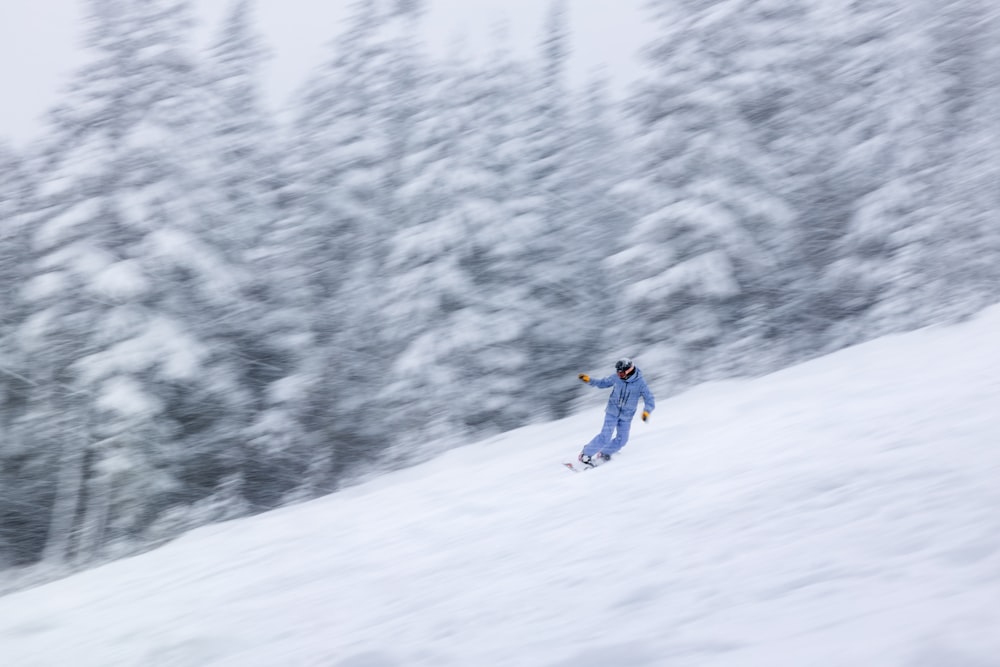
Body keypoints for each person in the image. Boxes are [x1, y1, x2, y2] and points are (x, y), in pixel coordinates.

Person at [577, 358, 655, 467]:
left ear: (629, 371)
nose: (619, 375)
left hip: (626, 416)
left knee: (622, 440)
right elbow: (602, 383)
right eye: (617, 373)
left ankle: (604, 453)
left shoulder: (640, 383)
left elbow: (649, 399)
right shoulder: (617, 378)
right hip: (612, 411)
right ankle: (585, 455)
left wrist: (647, 412)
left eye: (621, 373)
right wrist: (589, 380)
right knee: (605, 436)